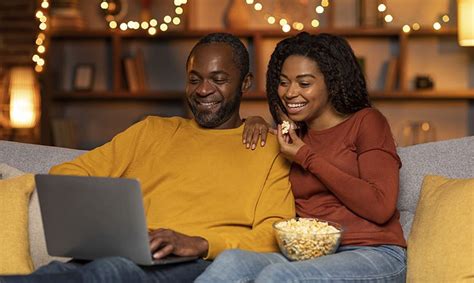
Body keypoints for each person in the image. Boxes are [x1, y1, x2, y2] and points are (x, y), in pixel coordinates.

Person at [1, 33, 295, 283]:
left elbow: (275, 233)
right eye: (195, 79)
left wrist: (201, 244)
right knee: (62, 271)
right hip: (131, 251)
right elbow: (68, 173)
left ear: (245, 84)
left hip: (197, 263)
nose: (204, 89)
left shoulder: (269, 147)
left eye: (218, 79)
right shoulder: (151, 130)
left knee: (110, 271)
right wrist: (115, 228)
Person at [195, 32, 407, 282]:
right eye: (284, 82)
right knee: (232, 261)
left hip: (373, 253)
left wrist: (306, 156)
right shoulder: (291, 136)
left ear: (332, 82)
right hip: (307, 254)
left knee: (280, 276)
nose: (290, 93)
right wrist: (254, 122)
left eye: (304, 83)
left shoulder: (367, 122)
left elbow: (381, 207)